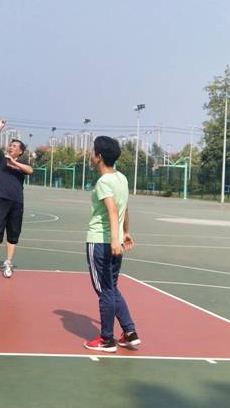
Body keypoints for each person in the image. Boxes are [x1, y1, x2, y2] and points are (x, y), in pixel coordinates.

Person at [83, 136, 140, 352]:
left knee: (104, 291)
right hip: (115, 241)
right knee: (111, 287)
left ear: (99, 156)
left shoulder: (104, 182)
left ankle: (106, 339)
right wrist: (126, 232)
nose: (90, 155)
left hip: (101, 242)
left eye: (92, 152)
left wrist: (115, 239)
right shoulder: (121, 178)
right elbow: (125, 207)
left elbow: (113, 210)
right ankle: (130, 332)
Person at [0, 119, 33, 278]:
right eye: (10, 145)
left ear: (20, 151)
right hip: (1, 198)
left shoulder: (23, 164)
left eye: (14, 146)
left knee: (13, 233)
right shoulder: (1, 159)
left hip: (17, 201)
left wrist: (13, 163)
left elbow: (30, 170)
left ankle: (8, 262)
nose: (11, 147)